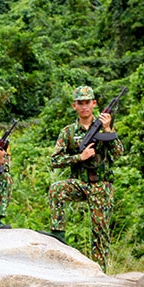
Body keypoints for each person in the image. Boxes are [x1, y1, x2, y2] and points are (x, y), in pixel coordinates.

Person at [47, 85, 124, 271]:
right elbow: (54, 160)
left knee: (100, 232)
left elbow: (119, 153)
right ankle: (58, 234)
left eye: (87, 102)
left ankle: (99, 271)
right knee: (56, 189)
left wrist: (107, 130)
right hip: (80, 183)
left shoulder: (105, 126)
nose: (84, 107)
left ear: (94, 103)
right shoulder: (68, 132)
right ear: (74, 106)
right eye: (80, 103)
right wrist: (78, 158)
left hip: (101, 185)